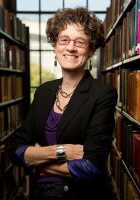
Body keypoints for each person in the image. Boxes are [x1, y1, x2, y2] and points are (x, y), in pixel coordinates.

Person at [11, 7, 117, 200]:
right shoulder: (44, 91)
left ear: (91, 49)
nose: (71, 47)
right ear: (55, 44)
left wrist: (37, 158)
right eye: (64, 40)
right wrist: (64, 151)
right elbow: (16, 150)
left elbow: (91, 167)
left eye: (80, 41)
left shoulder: (102, 94)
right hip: (40, 194)